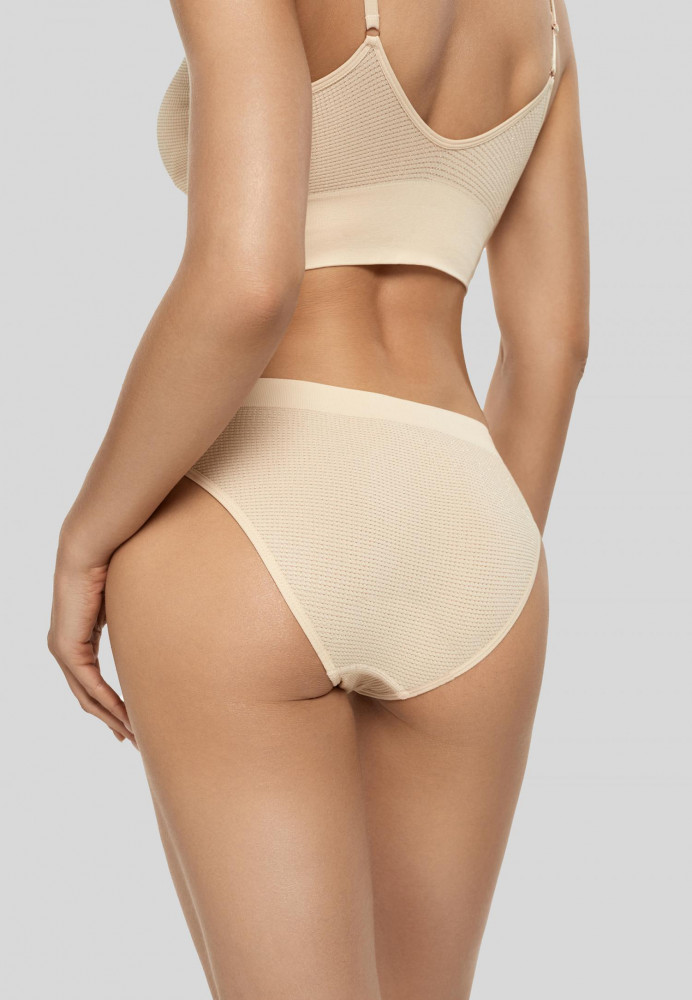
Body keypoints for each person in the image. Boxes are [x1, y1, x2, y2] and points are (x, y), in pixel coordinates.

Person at [47, 0, 589, 996]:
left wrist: (87, 533)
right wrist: (463, 569)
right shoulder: (547, 18)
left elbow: (246, 283)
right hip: (468, 524)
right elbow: (553, 348)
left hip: (257, 510)